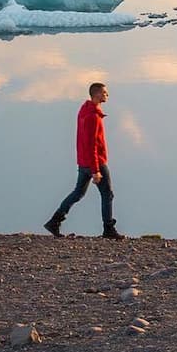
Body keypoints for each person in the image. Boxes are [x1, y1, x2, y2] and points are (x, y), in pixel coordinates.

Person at [44, 82, 124, 240]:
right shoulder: (93, 116)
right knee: (107, 194)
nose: (107, 95)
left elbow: (85, 142)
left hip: (83, 162)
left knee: (78, 193)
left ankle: (54, 221)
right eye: (104, 93)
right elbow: (92, 144)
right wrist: (96, 171)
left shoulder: (84, 110)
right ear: (96, 95)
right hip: (95, 162)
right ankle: (108, 229)